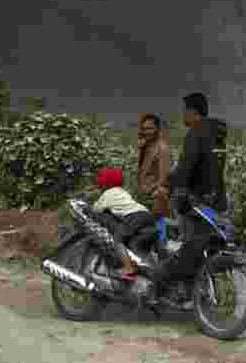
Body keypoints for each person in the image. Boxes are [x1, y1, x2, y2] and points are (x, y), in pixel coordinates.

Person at [153, 92, 230, 297]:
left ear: (192, 112)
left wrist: (167, 187)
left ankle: (186, 290)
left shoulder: (196, 133)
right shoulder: (217, 133)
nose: (183, 116)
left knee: (191, 245)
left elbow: (187, 167)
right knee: (207, 245)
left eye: (184, 112)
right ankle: (201, 286)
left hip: (197, 201)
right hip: (217, 198)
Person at [90, 167, 156, 280]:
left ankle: (129, 268)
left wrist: (89, 202)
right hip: (146, 214)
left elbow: (96, 209)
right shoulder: (122, 192)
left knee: (117, 240)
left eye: (100, 183)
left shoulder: (108, 194)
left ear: (105, 183)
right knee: (136, 244)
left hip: (133, 217)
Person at [136, 113, 172, 217]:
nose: (146, 132)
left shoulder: (162, 149)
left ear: (158, 129)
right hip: (144, 198)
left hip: (156, 200)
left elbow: (164, 178)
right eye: (144, 129)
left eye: (150, 128)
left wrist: (149, 190)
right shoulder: (146, 147)